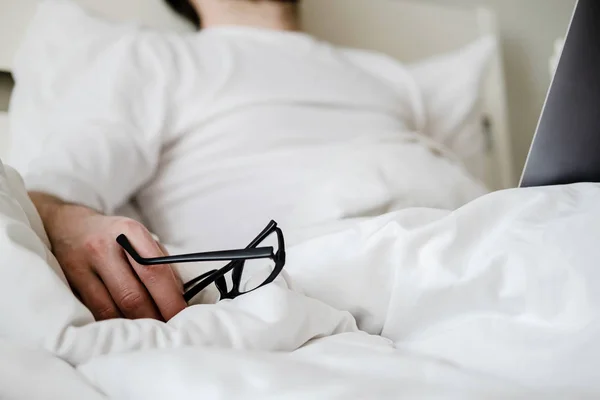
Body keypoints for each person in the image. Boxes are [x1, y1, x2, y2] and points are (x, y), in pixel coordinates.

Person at [21, 0, 485, 322]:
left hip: (467, 245)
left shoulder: (388, 73)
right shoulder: (157, 58)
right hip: (322, 275)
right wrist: (69, 223)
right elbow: (49, 194)